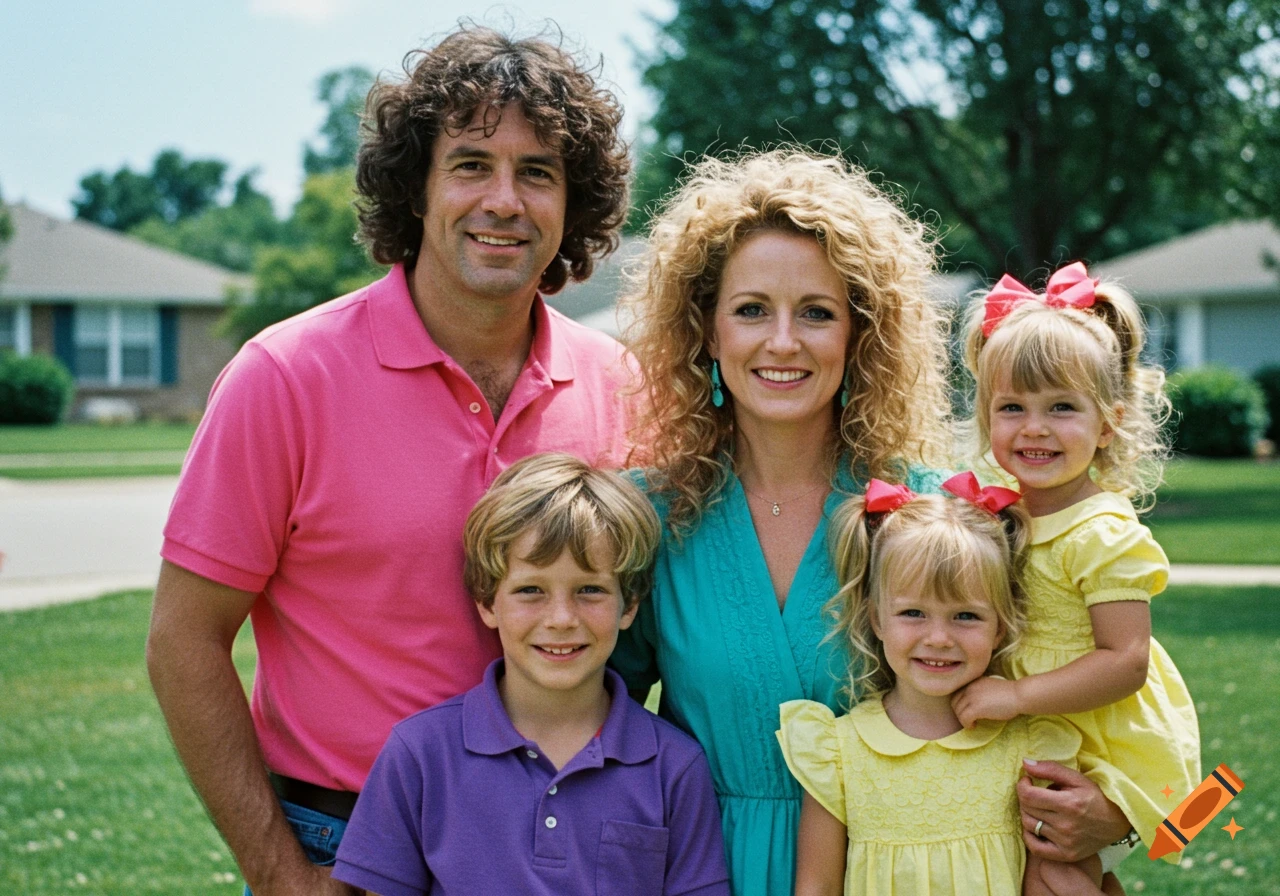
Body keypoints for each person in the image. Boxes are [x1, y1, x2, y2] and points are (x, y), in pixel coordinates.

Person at [145, 26, 634, 895]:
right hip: (349, 845)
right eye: (471, 165)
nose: (504, 201)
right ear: (416, 187)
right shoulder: (284, 377)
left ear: (573, 202)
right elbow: (184, 640)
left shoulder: (620, 383)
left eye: (537, 172)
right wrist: (280, 874)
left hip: (567, 844)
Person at [609, 149, 954, 896]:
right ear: (708, 331)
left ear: (861, 335)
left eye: (818, 313)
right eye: (752, 309)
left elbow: (1065, 704)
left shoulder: (931, 515)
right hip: (698, 870)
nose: (784, 341)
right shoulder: (649, 518)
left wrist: (1120, 821)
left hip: (892, 869)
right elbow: (589, 721)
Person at [331, 453, 730, 896]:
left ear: (630, 604)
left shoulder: (674, 767)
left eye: (590, 590)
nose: (561, 619)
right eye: (531, 590)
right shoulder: (420, 754)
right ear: (487, 601)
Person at [952, 263, 1201, 892]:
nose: (1034, 427)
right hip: (1043, 722)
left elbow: (1126, 660)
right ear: (986, 417)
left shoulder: (1101, 533)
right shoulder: (1007, 513)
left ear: (1107, 423)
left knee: (1052, 869)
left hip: (1098, 736)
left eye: (1061, 407)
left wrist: (1016, 697)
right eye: (1012, 407)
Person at [779, 476, 1088, 895]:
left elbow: (1054, 877)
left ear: (1000, 626)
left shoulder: (1032, 746)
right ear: (876, 619)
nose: (939, 638)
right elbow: (817, 886)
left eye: (966, 616)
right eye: (913, 613)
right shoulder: (837, 752)